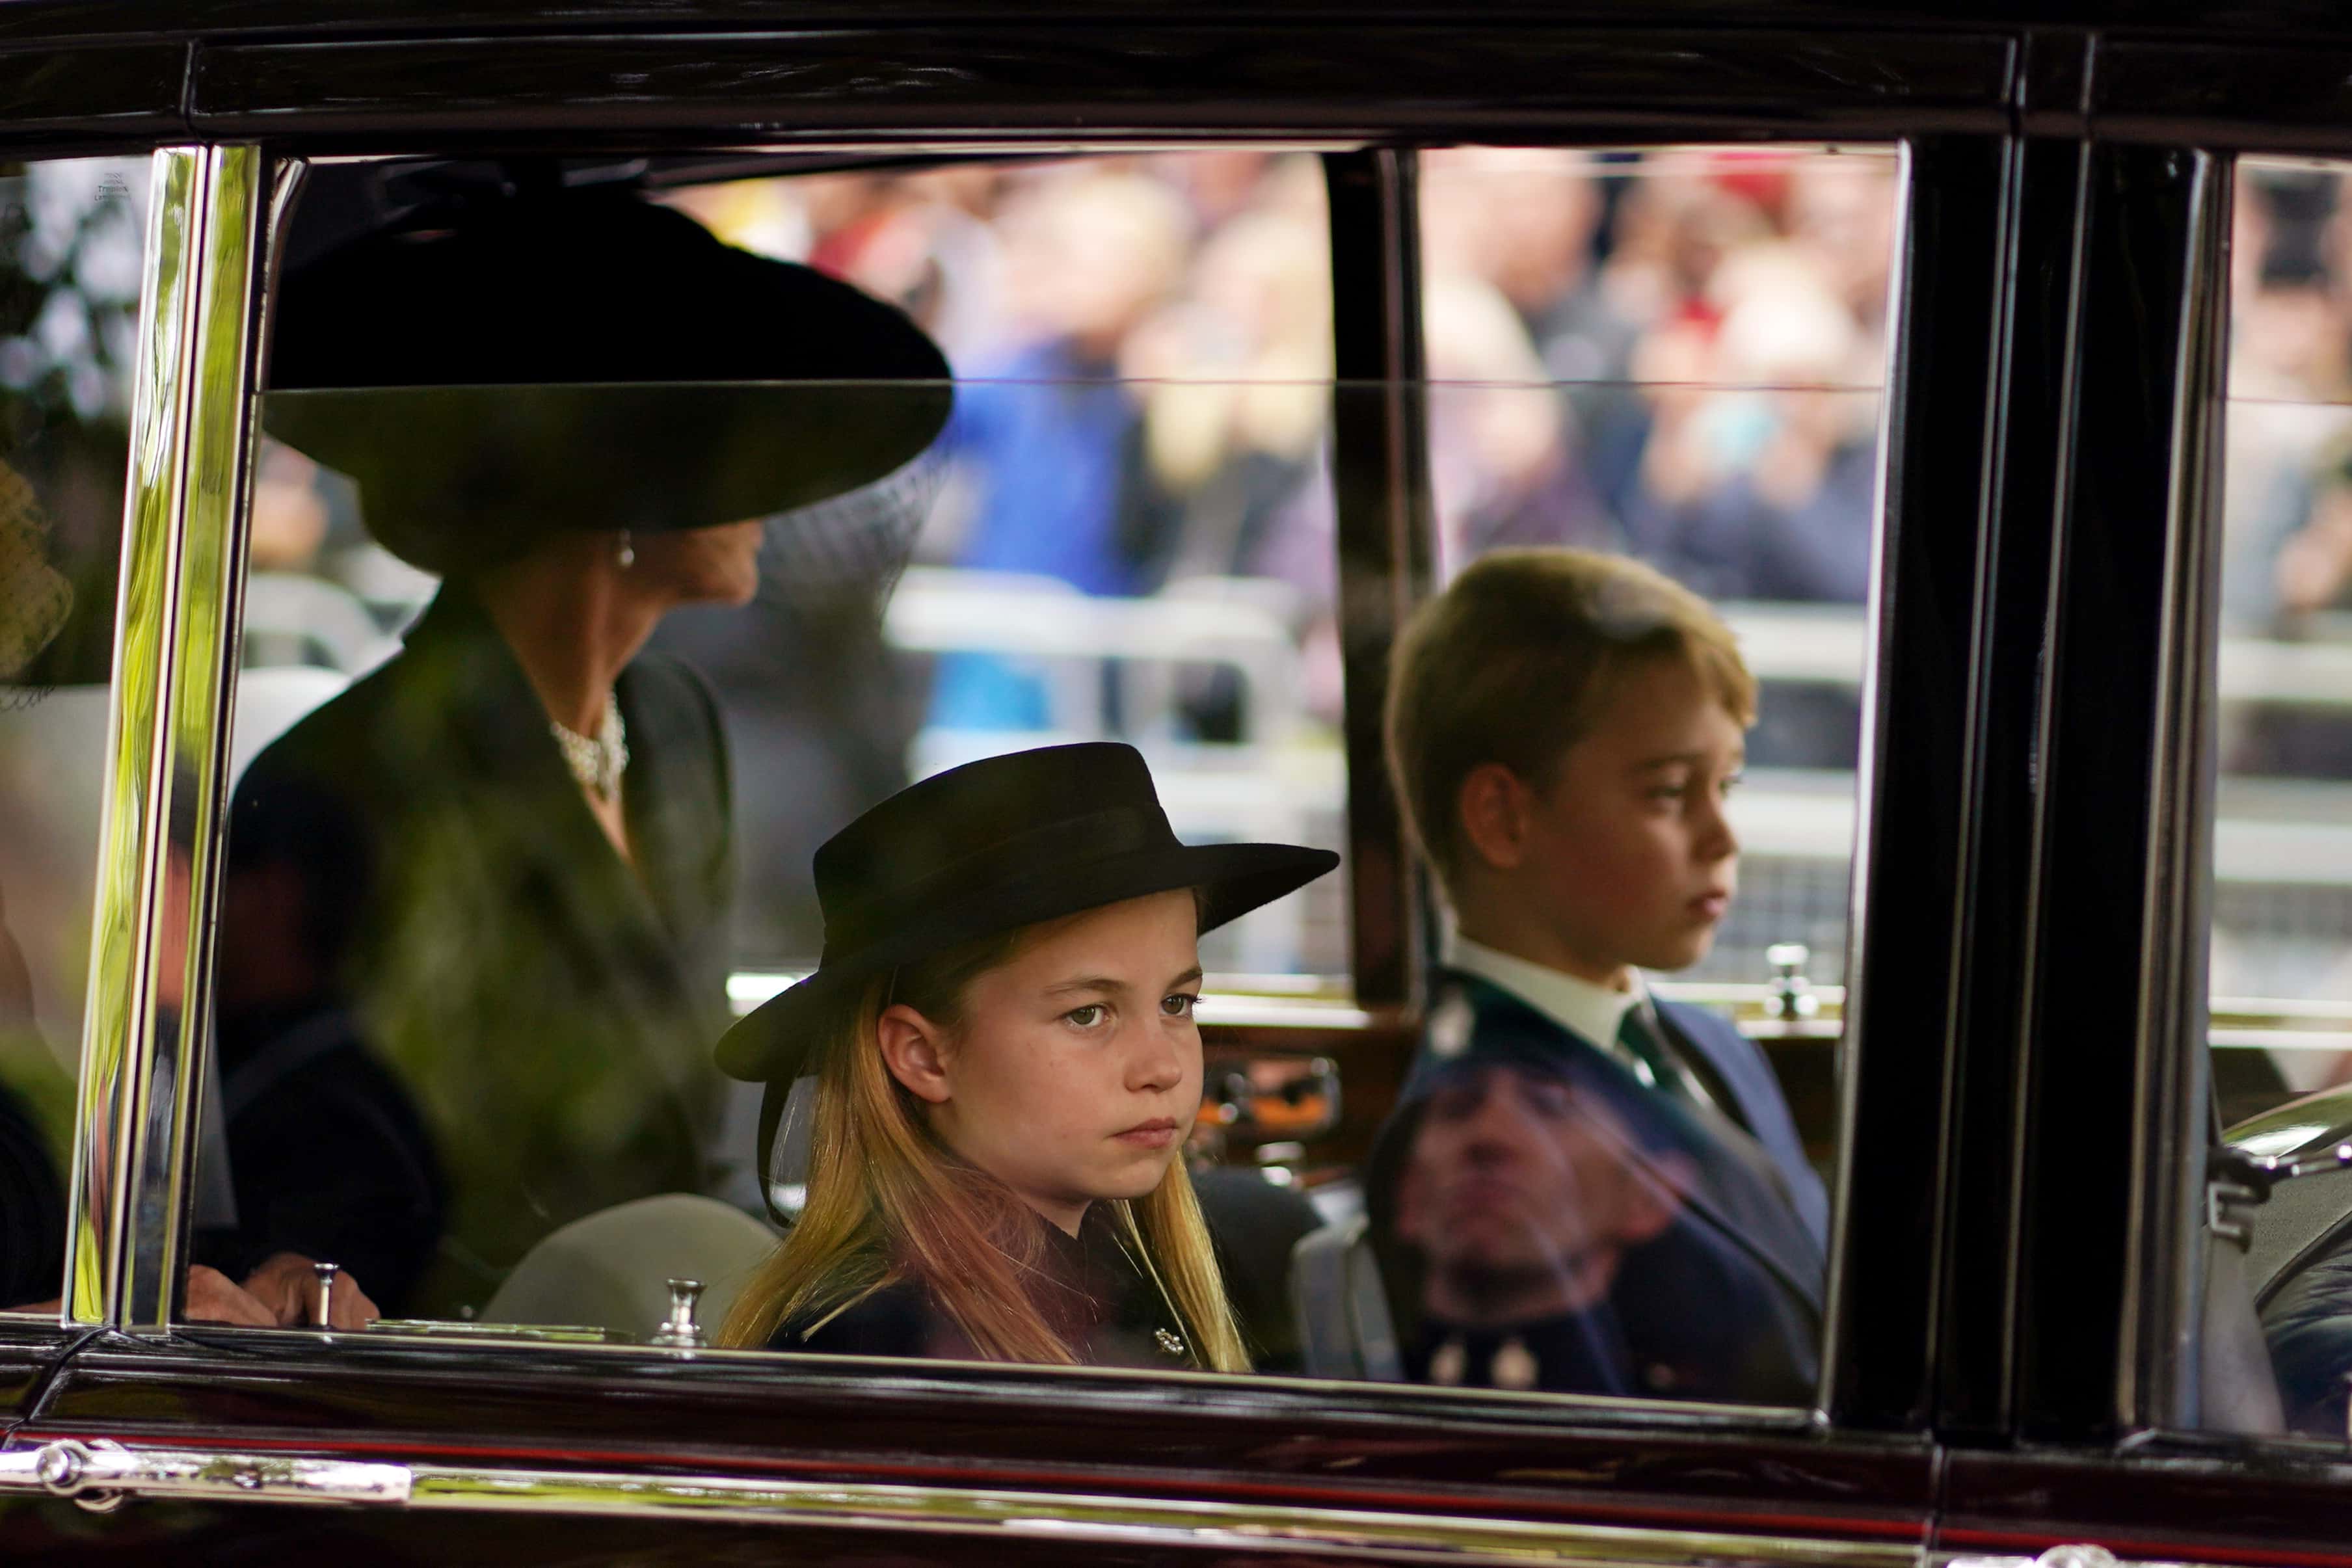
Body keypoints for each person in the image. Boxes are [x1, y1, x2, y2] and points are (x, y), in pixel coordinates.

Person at [206, 189, 952, 1320]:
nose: (777, 493)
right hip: (482, 1375)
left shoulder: (670, 728)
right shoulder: (351, 781)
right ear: (619, 482)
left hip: (677, 1319)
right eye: (731, 445)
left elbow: (680, 1131)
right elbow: (327, 1185)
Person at [1365, 546, 1826, 1400]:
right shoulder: (1480, 1139)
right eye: (1668, 792)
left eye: (1727, 783)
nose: (1723, 837)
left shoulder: (1710, 1045)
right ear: (1504, 817)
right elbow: (1568, 1493)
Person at [712, 741, 1335, 1368]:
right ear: (925, 1056)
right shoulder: (877, 1346)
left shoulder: (1134, 1281)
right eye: (1087, 1014)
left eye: (1177, 1003)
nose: (1163, 1068)